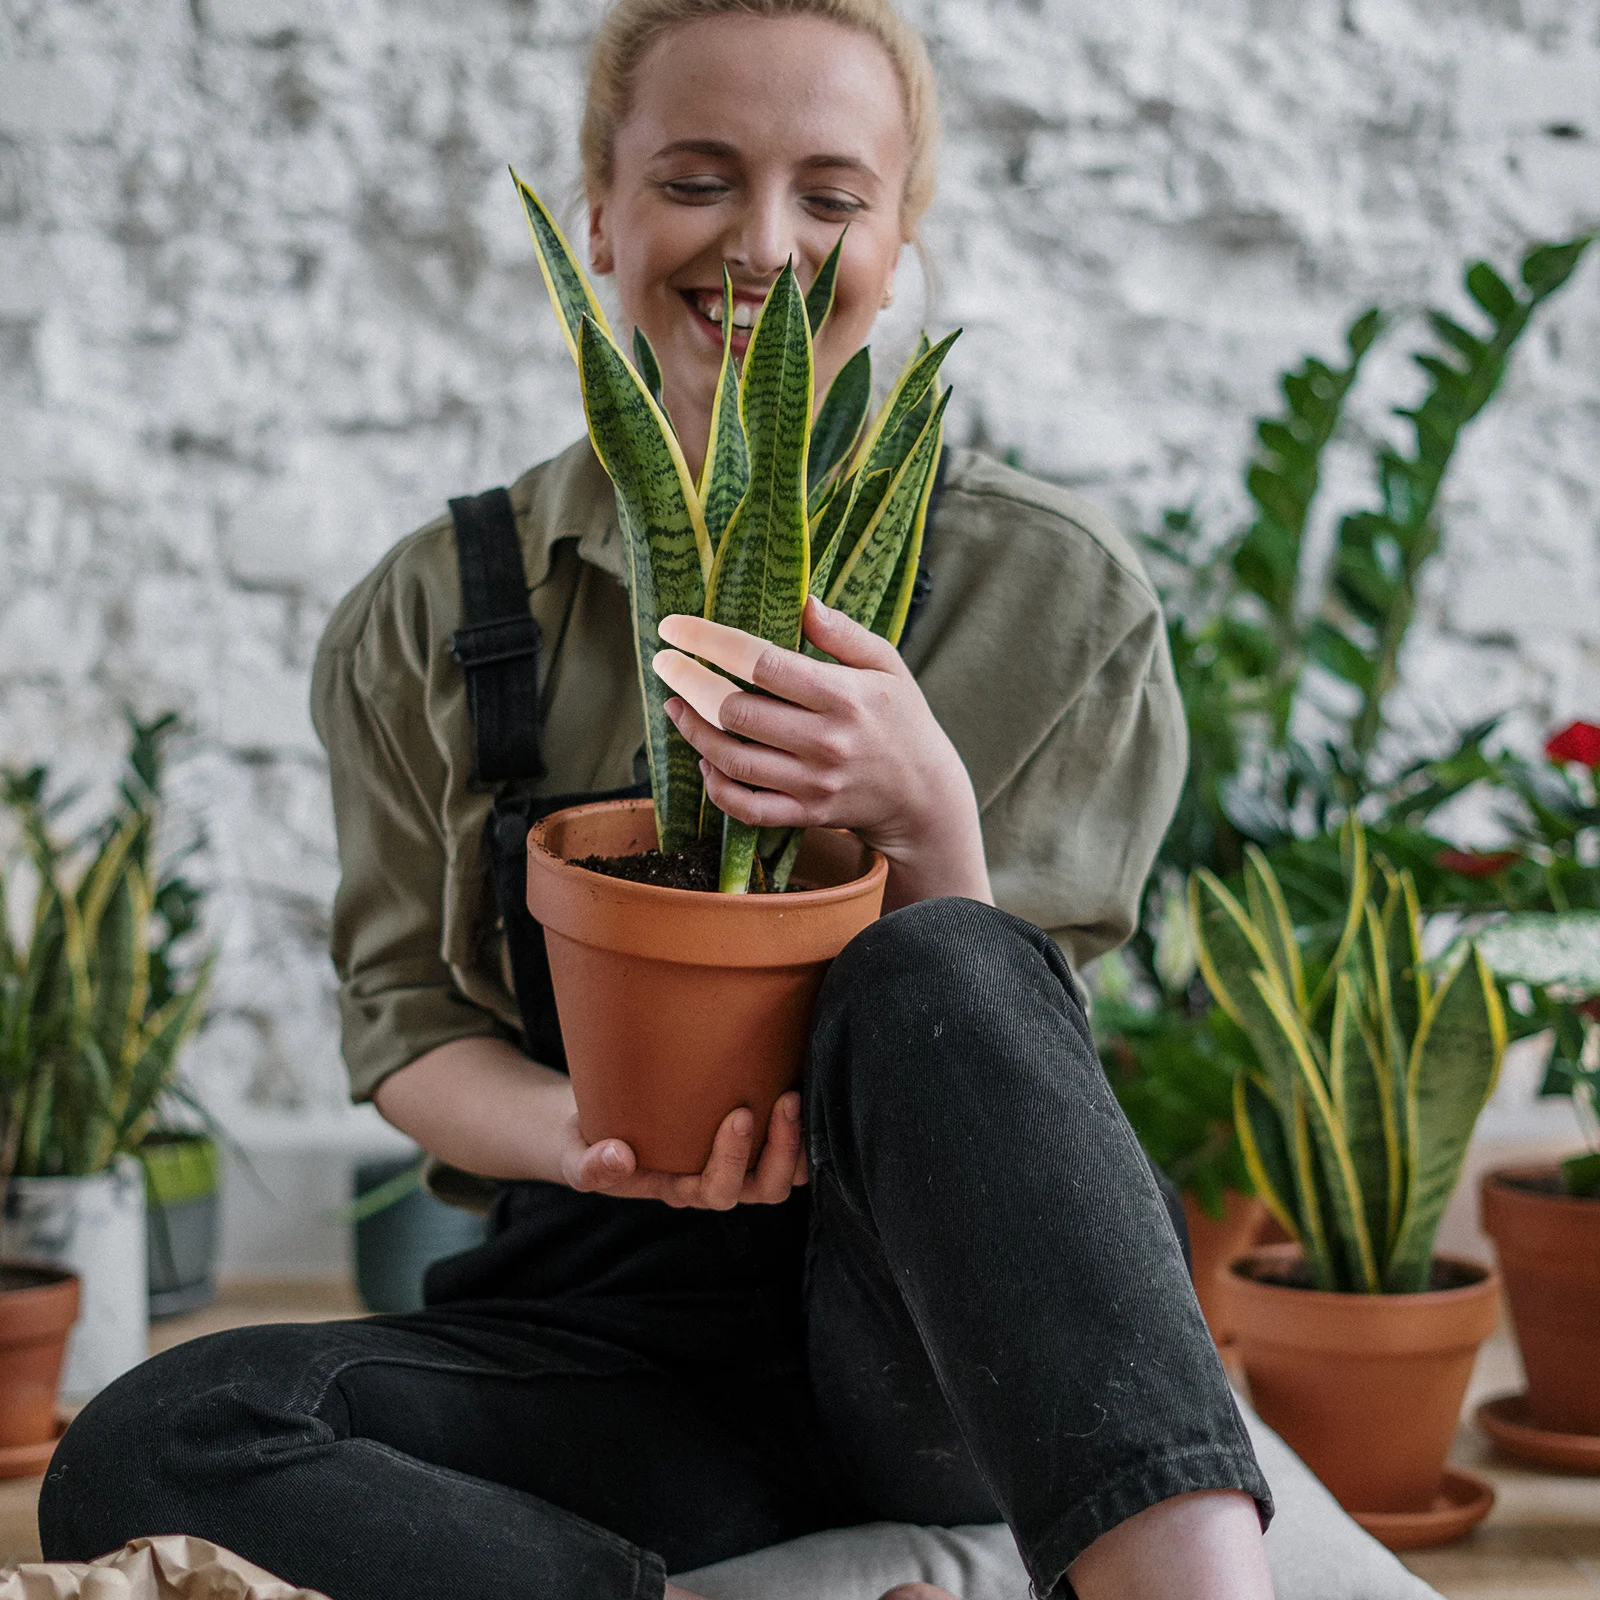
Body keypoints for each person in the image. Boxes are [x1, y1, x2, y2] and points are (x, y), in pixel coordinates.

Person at [40, 3, 1276, 1597]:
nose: (761, 245)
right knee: (153, 1444)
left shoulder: (1050, 596)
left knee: (945, 958)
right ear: (602, 215)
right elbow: (409, 1032)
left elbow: (1013, 1080)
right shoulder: (435, 611)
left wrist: (927, 818)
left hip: (932, 1361)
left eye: (831, 197)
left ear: (900, 235)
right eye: (698, 180)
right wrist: (599, 1140)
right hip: (603, 1337)